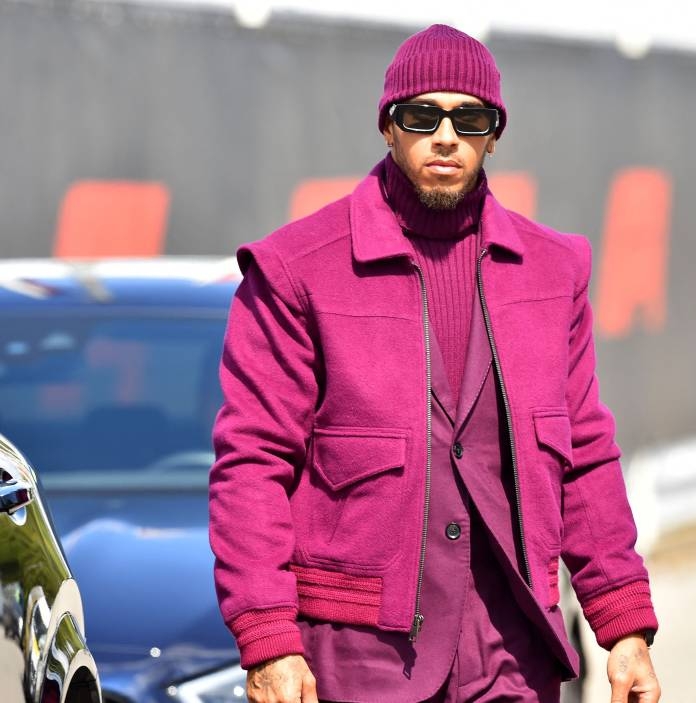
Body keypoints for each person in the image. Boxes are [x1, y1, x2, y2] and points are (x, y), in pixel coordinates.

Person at [209, 23, 660, 703]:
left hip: (512, 654)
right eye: (422, 115)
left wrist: (622, 625)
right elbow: (252, 463)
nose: (446, 135)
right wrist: (269, 637)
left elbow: (586, 457)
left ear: (493, 135)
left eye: (469, 118)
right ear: (388, 128)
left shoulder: (553, 270)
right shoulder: (296, 270)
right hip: (362, 660)